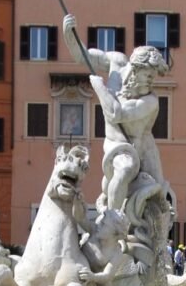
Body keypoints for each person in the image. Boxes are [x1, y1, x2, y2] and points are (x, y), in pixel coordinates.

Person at [63, 13, 169, 213]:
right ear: (135, 69)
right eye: (148, 76)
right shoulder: (116, 63)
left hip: (144, 148)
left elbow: (115, 113)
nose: (150, 82)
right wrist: (69, 33)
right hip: (118, 143)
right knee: (125, 169)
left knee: (159, 200)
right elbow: (82, 56)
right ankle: (111, 222)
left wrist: (100, 88)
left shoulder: (150, 101)